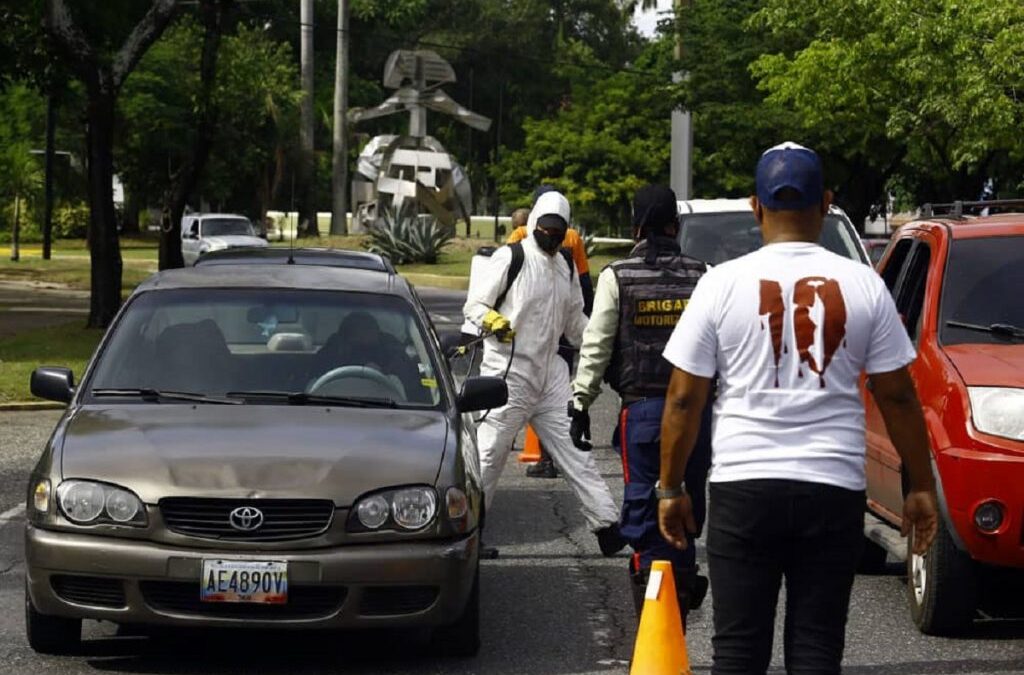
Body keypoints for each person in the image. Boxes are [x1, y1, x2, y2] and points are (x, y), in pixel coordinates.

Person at [657, 142, 939, 674]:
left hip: (744, 489)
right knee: (816, 651)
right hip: (831, 491)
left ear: (755, 206)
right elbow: (898, 394)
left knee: (738, 653)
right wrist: (919, 485)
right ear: (827, 202)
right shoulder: (864, 285)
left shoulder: (719, 284)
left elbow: (683, 398)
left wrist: (671, 489)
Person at [569, 184, 711, 623]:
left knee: (644, 513)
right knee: (687, 509)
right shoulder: (703, 275)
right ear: (675, 225)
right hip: (697, 416)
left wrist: (580, 403)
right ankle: (681, 593)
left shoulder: (617, 277)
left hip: (644, 414)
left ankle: (658, 624)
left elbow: (596, 346)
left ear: (635, 228)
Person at [463, 190, 625, 555]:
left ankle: (607, 526)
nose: (551, 235)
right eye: (546, 227)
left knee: (576, 451)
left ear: (566, 230)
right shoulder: (512, 257)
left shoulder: (565, 265)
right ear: (534, 223)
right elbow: (475, 304)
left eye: (558, 229)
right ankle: (470, 536)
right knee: (489, 456)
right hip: (509, 373)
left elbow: (573, 323)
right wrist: (493, 319)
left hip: (550, 374)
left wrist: (605, 342)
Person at [509, 186, 595, 479]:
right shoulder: (574, 238)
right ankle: (574, 438)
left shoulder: (521, 234)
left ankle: (546, 459)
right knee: (563, 388)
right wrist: (585, 322)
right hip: (564, 324)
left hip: (531, 330)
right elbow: (583, 283)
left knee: (531, 391)